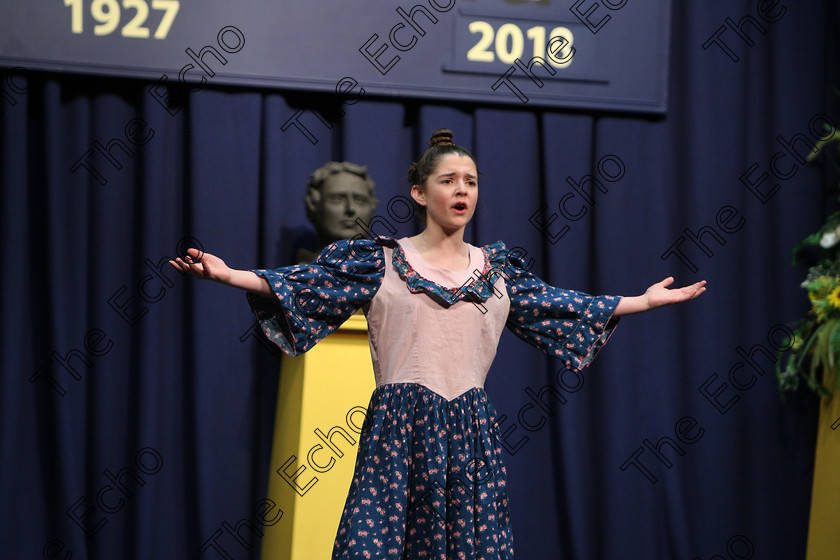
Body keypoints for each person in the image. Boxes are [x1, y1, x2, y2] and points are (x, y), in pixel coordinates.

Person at [170, 129, 706, 559]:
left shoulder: (499, 272)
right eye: (449, 180)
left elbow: (561, 304)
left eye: (471, 181)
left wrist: (641, 301)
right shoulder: (376, 261)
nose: (462, 190)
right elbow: (302, 286)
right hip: (399, 427)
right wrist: (230, 275)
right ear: (421, 193)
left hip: (470, 430)